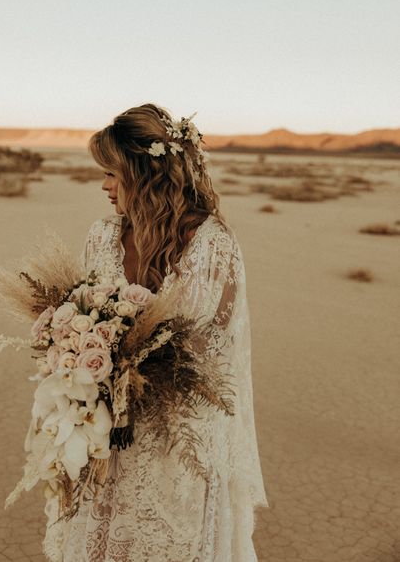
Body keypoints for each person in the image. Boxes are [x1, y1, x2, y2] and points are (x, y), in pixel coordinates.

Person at [43, 103, 269, 562]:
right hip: (106, 431)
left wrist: (126, 359)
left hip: (177, 439)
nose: (104, 186)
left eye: (112, 173)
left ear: (145, 172)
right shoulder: (102, 236)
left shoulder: (212, 246)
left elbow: (202, 349)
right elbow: (89, 313)